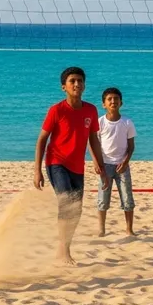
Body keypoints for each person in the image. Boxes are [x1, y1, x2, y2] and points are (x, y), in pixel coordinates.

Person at [34, 66, 109, 264]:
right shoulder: (56, 110)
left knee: (76, 209)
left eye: (80, 81)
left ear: (84, 85)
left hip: (78, 166)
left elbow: (93, 140)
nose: (77, 84)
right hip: (56, 162)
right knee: (66, 202)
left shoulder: (91, 110)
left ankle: (64, 247)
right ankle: (64, 249)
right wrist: (37, 171)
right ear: (64, 87)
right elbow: (42, 140)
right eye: (72, 81)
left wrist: (100, 167)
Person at [96, 86, 137, 237]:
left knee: (127, 198)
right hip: (105, 165)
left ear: (121, 103)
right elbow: (93, 144)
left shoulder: (127, 122)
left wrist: (125, 162)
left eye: (116, 99)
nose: (113, 101)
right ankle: (101, 229)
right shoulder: (100, 122)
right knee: (103, 198)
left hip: (122, 166)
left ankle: (129, 229)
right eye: (109, 99)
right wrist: (97, 163)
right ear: (103, 104)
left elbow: (131, 146)